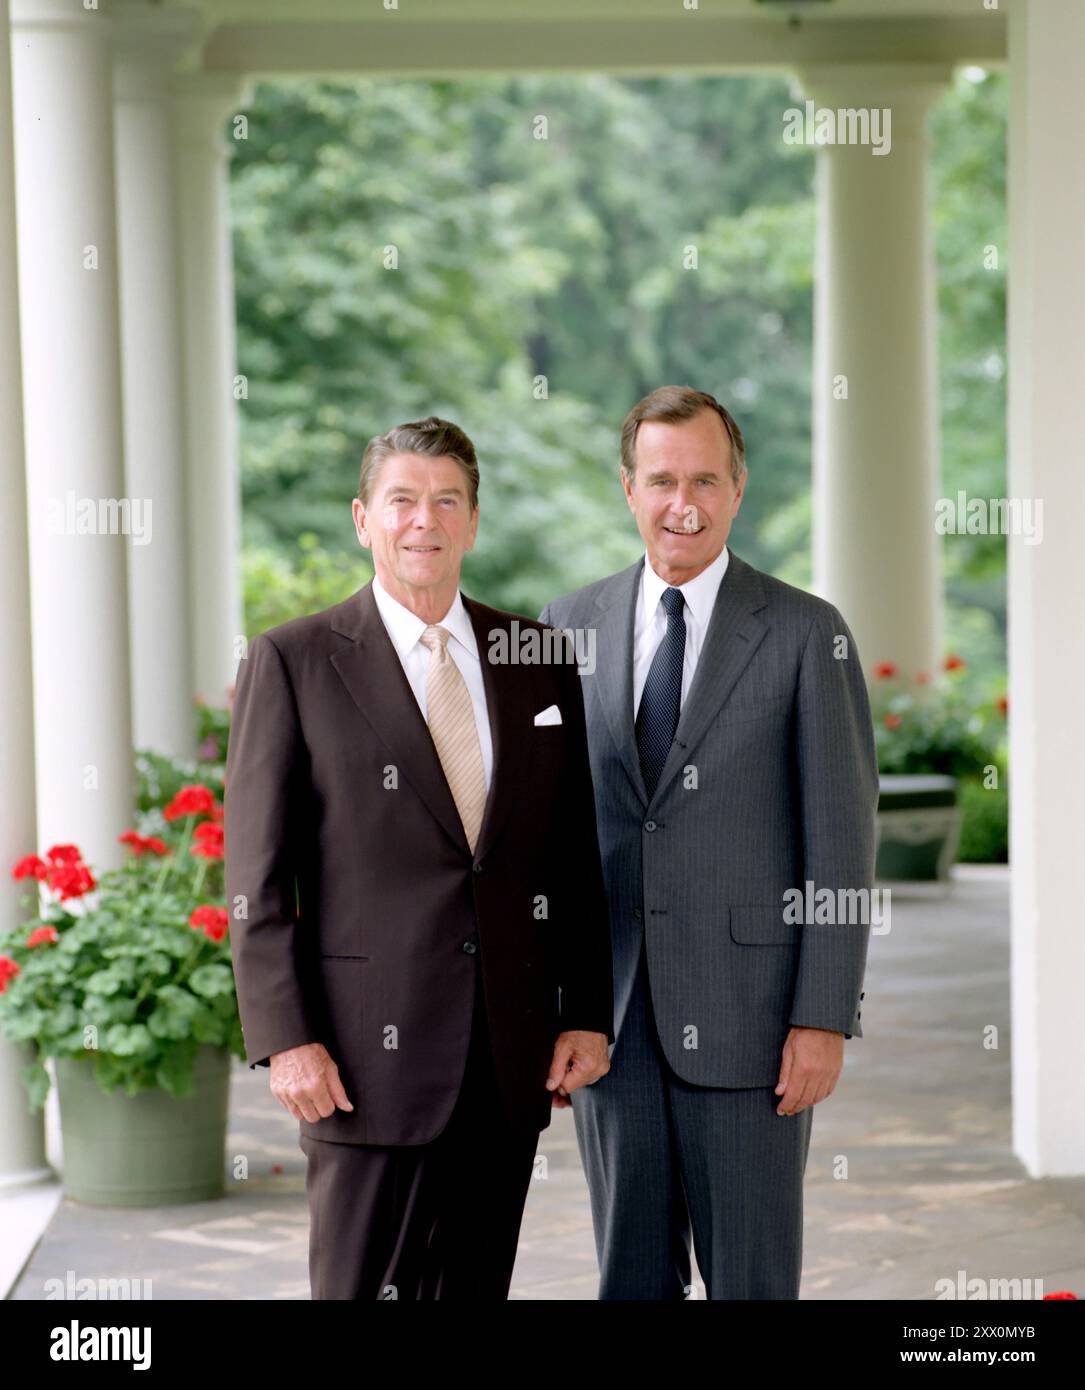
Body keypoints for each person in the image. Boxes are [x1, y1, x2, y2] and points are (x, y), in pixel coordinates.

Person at [226, 415, 613, 1300]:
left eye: (446, 501)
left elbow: (571, 855)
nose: (423, 521)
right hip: (362, 1066)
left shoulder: (537, 657)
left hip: (505, 1060)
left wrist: (585, 1011)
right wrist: (287, 1040)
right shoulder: (293, 661)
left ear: (473, 521)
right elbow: (256, 876)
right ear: (363, 518)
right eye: (401, 499)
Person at [540, 385, 878, 1300]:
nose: (679, 503)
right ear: (627, 489)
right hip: (608, 1025)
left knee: (753, 1282)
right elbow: (544, 836)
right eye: (659, 480)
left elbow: (841, 846)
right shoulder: (564, 628)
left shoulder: (808, 634)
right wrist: (553, 1007)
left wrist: (821, 1016)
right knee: (630, 1280)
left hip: (754, 1025)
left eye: (702, 480)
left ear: (736, 490)